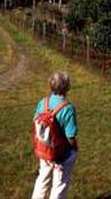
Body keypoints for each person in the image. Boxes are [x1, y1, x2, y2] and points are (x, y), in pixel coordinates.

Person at [32, 71, 78, 199]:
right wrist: (75, 149)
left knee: (43, 178)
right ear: (67, 87)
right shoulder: (68, 108)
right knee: (59, 185)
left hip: (44, 148)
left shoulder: (43, 102)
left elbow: (35, 121)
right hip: (61, 154)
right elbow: (71, 136)